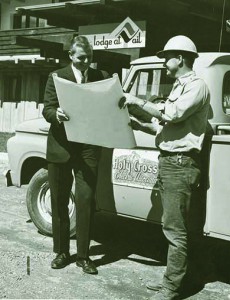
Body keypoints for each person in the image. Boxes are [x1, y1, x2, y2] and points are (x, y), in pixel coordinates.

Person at [121, 35, 210, 299]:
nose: (164, 62)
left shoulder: (196, 87)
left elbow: (171, 114)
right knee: (172, 226)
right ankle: (172, 281)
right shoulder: (180, 87)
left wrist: (136, 100)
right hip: (172, 163)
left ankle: (172, 288)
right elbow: (167, 127)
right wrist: (141, 125)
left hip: (180, 164)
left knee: (175, 229)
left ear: (180, 58)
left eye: (166, 57)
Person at [42, 35, 109, 275]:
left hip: (89, 149)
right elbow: (47, 108)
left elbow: (108, 106)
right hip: (60, 147)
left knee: (86, 201)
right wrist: (55, 115)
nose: (85, 63)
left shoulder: (101, 78)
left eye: (89, 58)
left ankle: (83, 256)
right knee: (59, 202)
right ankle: (61, 252)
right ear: (71, 56)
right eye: (81, 58)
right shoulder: (56, 77)